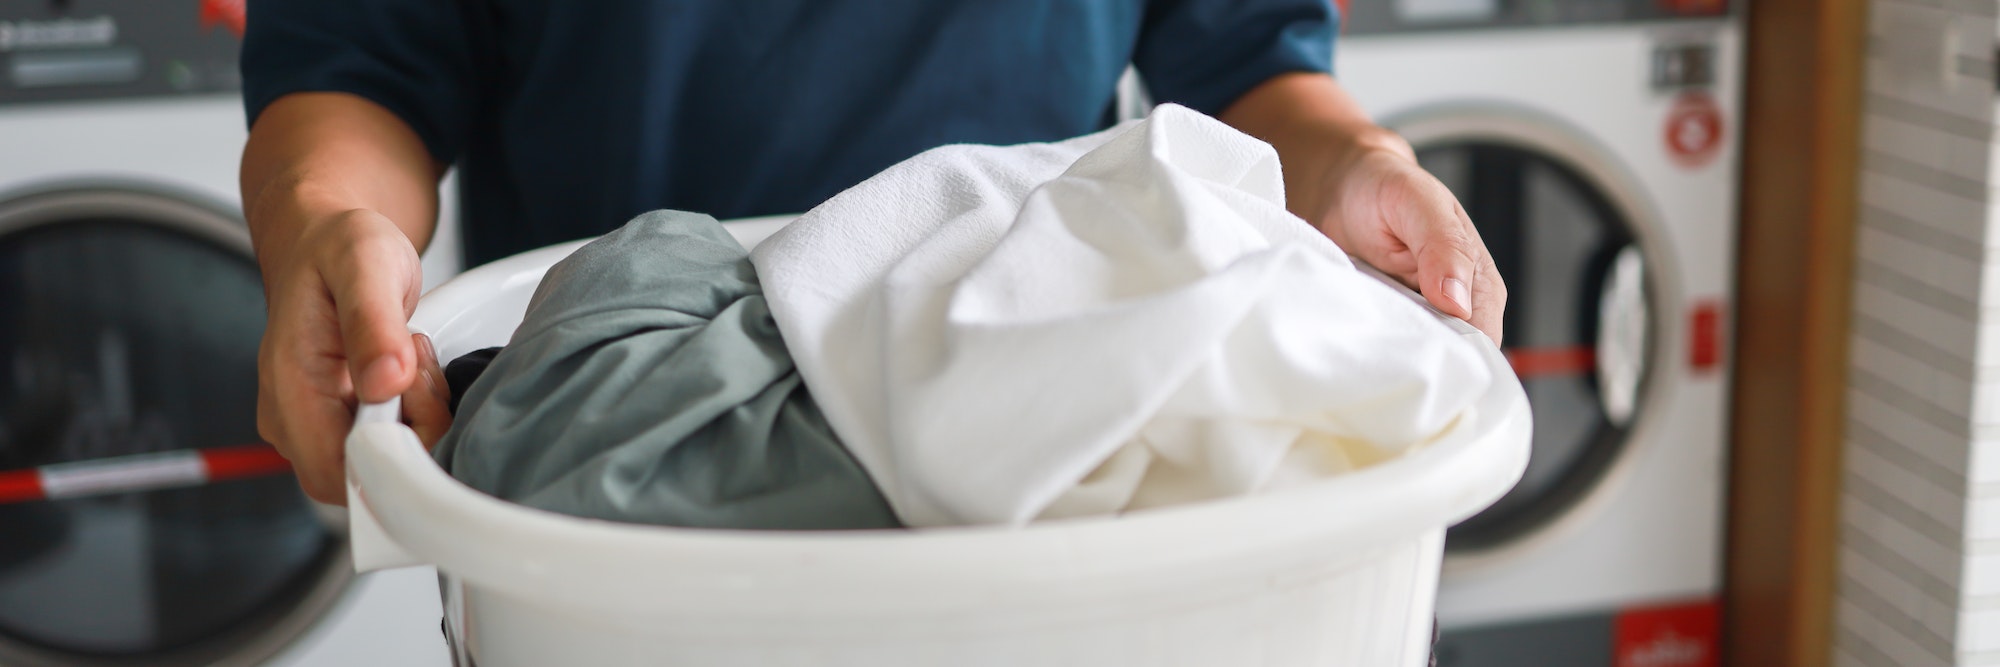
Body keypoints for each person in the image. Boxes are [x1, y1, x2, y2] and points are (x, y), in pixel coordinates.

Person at [241, 0, 1507, 505]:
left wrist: (1354, 170)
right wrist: (322, 227)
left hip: (1059, 402)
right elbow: (361, 71)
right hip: (629, 468)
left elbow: (1247, 64)